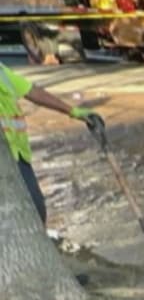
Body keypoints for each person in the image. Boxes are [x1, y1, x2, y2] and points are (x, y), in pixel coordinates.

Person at [0, 62, 104, 225]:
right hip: (5, 160)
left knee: (36, 210)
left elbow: (33, 91)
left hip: (18, 155)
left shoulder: (2, 71)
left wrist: (73, 111)